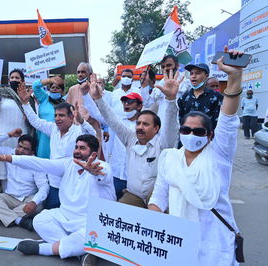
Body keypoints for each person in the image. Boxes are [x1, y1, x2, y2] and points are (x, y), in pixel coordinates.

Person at [148, 47, 244, 265]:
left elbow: (228, 118)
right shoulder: (170, 158)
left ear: (210, 134)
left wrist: (235, 78)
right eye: (186, 130)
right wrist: (152, 217)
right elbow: (159, 194)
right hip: (179, 245)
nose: (191, 135)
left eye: (198, 131)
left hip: (214, 246)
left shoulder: (219, 154)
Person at [0, 134, 116, 259]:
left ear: (93, 153)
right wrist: (6, 158)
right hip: (65, 216)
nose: (77, 151)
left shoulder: (103, 167)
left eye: (82, 148)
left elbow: (102, 175)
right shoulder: (68, 164)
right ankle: (77, 251)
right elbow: (38, 163)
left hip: (89, 221)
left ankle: (45, 249)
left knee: (95, 235)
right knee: (40, 220)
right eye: (76, 147)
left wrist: (94, 172)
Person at [88, 70, 180, 208]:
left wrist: (171, 100)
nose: (140, 127)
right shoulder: (130, 137)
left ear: (156, 129)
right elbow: (111, 119)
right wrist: (98, 99)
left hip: (156, 197)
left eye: (146, 124)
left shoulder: (163, 143)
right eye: (138, 123)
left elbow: (171, 126)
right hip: (133, 195)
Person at [17, 85, 96, 209]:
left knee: (71, 214)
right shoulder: (53, 128)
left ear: (71, 117)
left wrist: (81, 121)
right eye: (56, 115)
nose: (57, 119)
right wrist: (26, 103)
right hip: (54, 183)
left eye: (61, 115)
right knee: (49, 213)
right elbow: (36, 122)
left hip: (71, 183)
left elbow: (93, 135)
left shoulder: (78, 131)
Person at [0, 128, 49, 231]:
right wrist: (9, 134)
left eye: (25, 149)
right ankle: (18, 220)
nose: (20, 150)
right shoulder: (10, 154)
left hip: (27, 198)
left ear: (32, 151)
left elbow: (44, 187)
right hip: (10, 197)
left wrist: (34, 202)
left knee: (39, 205)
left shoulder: (36, 163)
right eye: (19, 146)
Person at [0, 69, 36, 189]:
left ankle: (20, 192)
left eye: (17, 78)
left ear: (22, 81)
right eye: (12, 78)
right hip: (4, 134)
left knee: (20, 162)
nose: (14, 80)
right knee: (3, 165)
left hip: (21, 134)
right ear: (8, 80)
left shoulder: (27, 97)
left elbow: (33, 116)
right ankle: (5, 194)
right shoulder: (1, 93)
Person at [109, 92, 143, 200]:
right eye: (124, 102)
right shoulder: (118, 122)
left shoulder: (144, 126)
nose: (126, 104)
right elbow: (110, 143)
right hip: (115, 173)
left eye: (130, 102)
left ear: (139, 106)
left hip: (134, 178)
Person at [178, 63, 223, 129]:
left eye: (197, 73)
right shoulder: (184, 97)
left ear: (206, 76)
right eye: (191, 73)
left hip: (209, 137)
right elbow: (180, 120)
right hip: (189, 136)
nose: (193, 76)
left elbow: (220, 121)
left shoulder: (216, 97)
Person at [32, 76, 65, 158]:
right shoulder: (44, 99)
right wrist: (49, 80)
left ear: (62, 91)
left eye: (57, 88)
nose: (54, 89)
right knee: (43, 161)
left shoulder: (65, 104)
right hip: (43, 137)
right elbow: (35, 86)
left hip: (59, 135)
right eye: (52, 87)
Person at [150, 55, 188, 123]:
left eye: (169, 65)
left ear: (177, 65)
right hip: (163, 123)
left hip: (181, 124)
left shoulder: (186, 83)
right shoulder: (159, 84)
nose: (166, 69)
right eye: (163, 67)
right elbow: (150, 102)